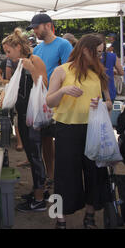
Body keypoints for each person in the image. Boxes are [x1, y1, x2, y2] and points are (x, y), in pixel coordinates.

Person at [46, 34, 112, 229]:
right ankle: (60, 220)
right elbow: (49, 101)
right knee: (64, 175)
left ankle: (89, 216)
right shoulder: (61, 71)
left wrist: (102, 104)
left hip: (93, 129)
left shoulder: (98, 73)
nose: (100, 57)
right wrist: (63, 91)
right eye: (97, 53)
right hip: (66, 129)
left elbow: (109, 102)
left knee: (94, 173)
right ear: (85, 50)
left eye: (101, 53)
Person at [2, 29, 48, 212]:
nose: (7, 55)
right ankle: (38, 192)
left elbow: (44, 84)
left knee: (35, 157)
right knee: (31, 155)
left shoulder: (34, 60)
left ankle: (39, 200)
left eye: (8, 51)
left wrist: (31, 69)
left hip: (32, 117)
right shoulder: (19, 63)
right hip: (23, 116)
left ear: (18, 47)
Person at [28, 13, 73, 192]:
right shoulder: (37, 50)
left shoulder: (63, 44)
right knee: (46, 140)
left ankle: (66, 177)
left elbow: (70, 71)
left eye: (36, 27)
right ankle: (51, 176)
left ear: (48, 25)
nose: (35, 31)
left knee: (63, 140)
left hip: (61, 101)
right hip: (43, 102)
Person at [97, 34, 124, 102]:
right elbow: (121, 73)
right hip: (109, 92)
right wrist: (112, 72)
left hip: (93, 94)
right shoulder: (113, 56)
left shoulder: (87, 57)